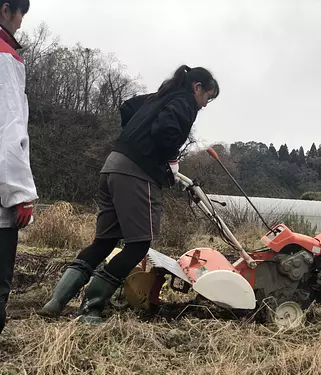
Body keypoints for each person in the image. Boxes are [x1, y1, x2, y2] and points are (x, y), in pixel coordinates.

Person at [38, 65, 219, 323]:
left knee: (104, 242)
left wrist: (134, 138)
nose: (204, 104)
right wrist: (169, 159)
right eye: (207, 97)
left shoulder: (158, 97)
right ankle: (91, 308)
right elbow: (165, 131)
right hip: (136, 174)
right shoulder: (185, 102)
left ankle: (55, 301)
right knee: (138, 245)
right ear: (197, 87)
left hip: (112, 166)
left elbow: (126, 108)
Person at [0, 0, 38, 334]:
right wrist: (20, 194)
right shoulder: (5, 59)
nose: (21, 23)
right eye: (20, 13)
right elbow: (9, 130)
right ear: (5, 9)